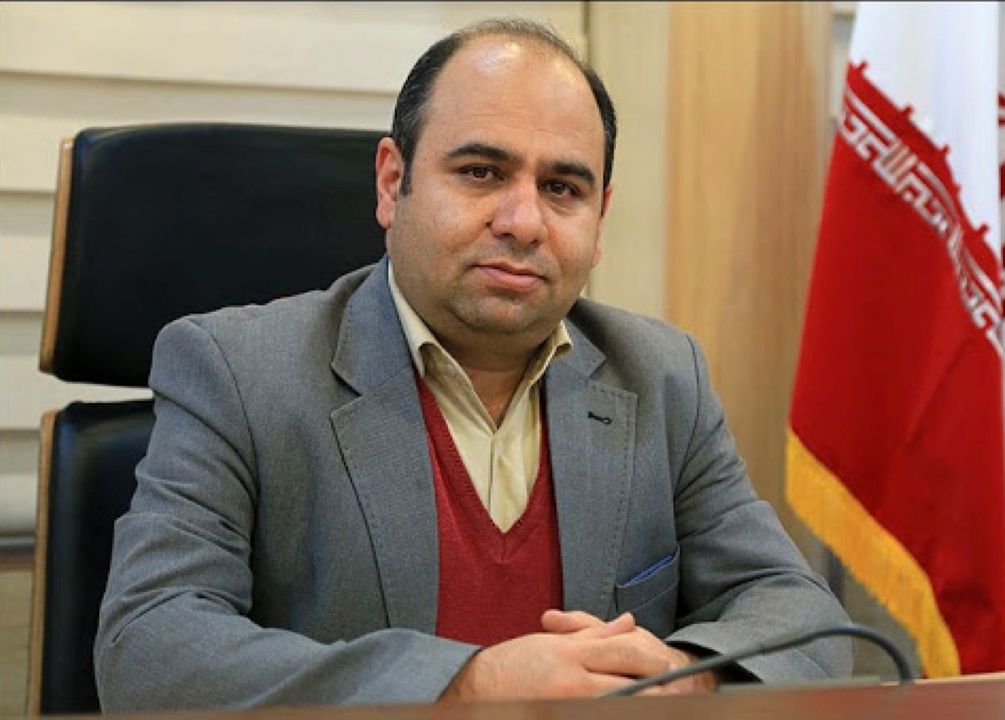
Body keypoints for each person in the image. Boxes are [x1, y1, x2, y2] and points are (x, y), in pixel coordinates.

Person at [94, 18, 852, 711]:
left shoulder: (660, 377)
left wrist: (687, 674)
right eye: (482, 172)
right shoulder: (238, 371)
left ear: (599, 221)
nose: (523, 222)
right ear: (393, 183)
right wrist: (468, 684)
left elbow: (803, 616)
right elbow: (149, 649)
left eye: (562, 188)